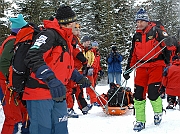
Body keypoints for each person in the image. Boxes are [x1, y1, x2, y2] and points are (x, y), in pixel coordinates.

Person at [23, 5, 91, 134]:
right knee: (42, 131)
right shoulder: (49, 35)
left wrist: (78, 77)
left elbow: (64, 65)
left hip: (58, 93)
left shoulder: (67, 39)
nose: (75, 25)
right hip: (40, 93)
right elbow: (32, 56)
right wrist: (50, 78)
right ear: (67, 23)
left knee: (60, 129)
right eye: (74, 23)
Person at [123, 8, 172, 132]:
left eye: (141, 21)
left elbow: (168, 46)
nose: (139, 24)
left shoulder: (156, 31)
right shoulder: (136, 36)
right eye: (137, 21)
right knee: (138, 95)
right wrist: (128, 69)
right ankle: (140, 120)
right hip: (141, 67)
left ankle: (158, 111)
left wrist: (168, 59)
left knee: (153, 92)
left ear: (147, 21)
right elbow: (133, 54)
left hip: (156, 65)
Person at [0, 14, 29, 134]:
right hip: (5, 83)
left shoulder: (14, 41)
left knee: (20, 113)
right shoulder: (12, 42)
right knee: (13, 116)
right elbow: (3, 62)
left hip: (10, 82)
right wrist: (9, 78)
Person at [66, 22, 92, 118]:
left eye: (78, 29)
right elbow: (76, 53)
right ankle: (69, 108)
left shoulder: (76, 40)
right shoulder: (71, 39)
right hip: (72, 68)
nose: (77, 30)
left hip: (78, 68)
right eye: (75, 28)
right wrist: (84, 61)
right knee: (70, 89)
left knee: (78, 89)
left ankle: (83, 106)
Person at [81, 36, 100, 106]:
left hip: (89, 68)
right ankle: (82, 102)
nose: (88, 43)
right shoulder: (80, 49)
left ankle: (93, 100)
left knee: (91, 85)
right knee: (79, 87)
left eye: (89, 42)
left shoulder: (90, 51)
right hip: (81, 69)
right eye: (87, 42)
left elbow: (93, 59)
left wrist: (90, 65)